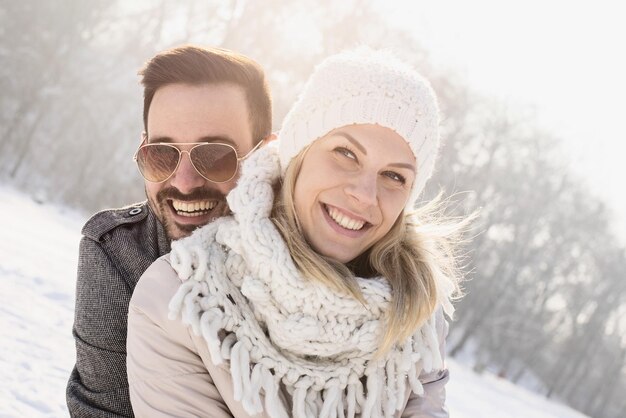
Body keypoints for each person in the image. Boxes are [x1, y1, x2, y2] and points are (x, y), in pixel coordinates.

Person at [127, 48, 467, 417]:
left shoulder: (415, 314)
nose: (365, 195)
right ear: (296, 154)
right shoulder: (180, 298)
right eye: (346, 154)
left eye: (394, 176)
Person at [66, 45, 273, 417]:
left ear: (265, 155)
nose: (185, 182)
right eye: (163, 154)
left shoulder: (317, 248)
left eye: (215, 155)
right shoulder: (117, 254)